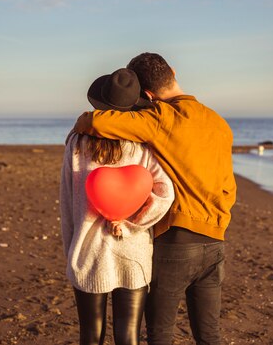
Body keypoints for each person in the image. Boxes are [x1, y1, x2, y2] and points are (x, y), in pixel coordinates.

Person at [74, 52, 237, 345]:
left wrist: (85, 119)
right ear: (173, 71)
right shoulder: (219, 122)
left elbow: (96, 123)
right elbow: (229, 186)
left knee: (161, 334)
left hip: (176, 243)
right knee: (210, 334)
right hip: (215, 242)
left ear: (147, 95)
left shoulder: (160, 118)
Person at [60, 68, 175, 345]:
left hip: (87, 251)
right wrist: (132, 224)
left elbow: (66, 200)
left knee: (90, 336)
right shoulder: (142, 146)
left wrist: (71, 248)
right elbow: (165, 193)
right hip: (133, 251)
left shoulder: (76, 142)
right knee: (129, 336)